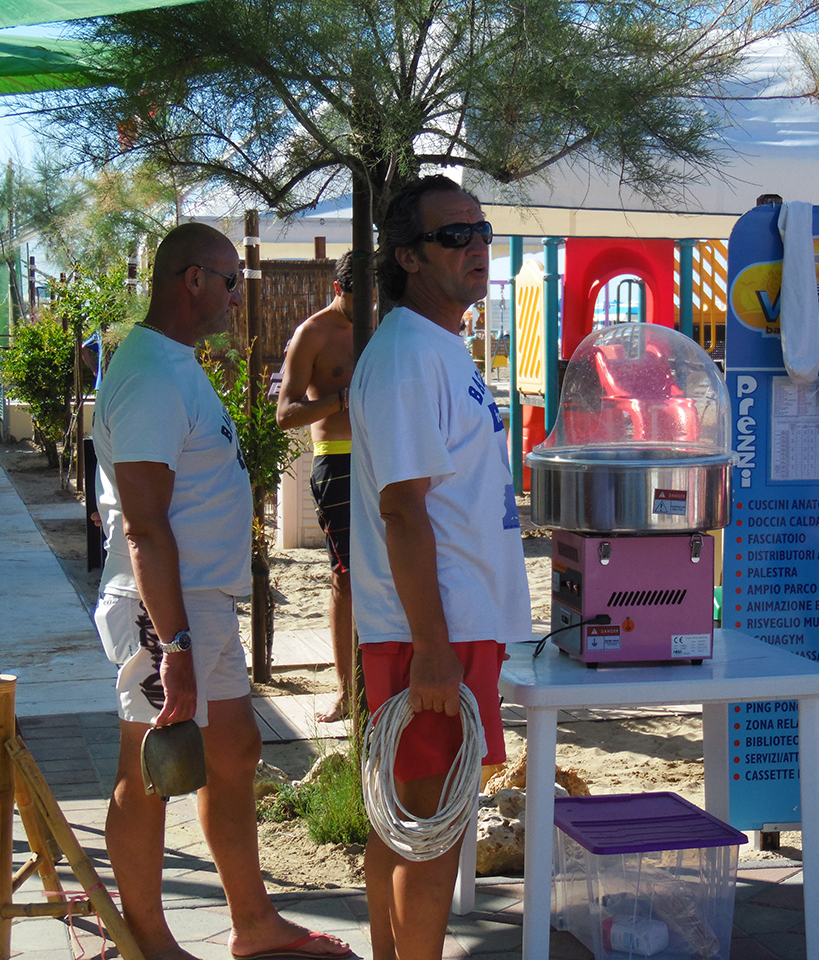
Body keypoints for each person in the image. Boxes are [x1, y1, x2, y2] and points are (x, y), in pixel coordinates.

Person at [92, 223, 349, 960]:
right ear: (192, 280)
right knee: (146, 769)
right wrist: (171, 643)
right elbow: (144, 528)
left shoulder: (173, 364)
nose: (240, 297)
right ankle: (146, 941)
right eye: (231, 282)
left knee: (232, 751)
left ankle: (253, 924)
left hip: (197, 602)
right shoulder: (148, 375)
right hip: (161, 606)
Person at [349, 175, 532, 960]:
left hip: (452, 625)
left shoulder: (437, 347)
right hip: (431, 631)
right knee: (428, 827)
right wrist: (429, 644)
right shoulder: (405, 355)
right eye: (456, 235)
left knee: (413, 820)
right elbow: (401, 508)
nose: (478, 247)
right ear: (408, 257)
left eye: (482, 231)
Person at [275, 251, 359, 724]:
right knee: (345, 577)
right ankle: (346, 690)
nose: (365, 307)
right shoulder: (314, 333)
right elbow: (285, 414)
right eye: (355, 298)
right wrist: (340, 398)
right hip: (338, 460)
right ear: (337, 290)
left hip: (385, 461)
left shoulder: (384, 325)